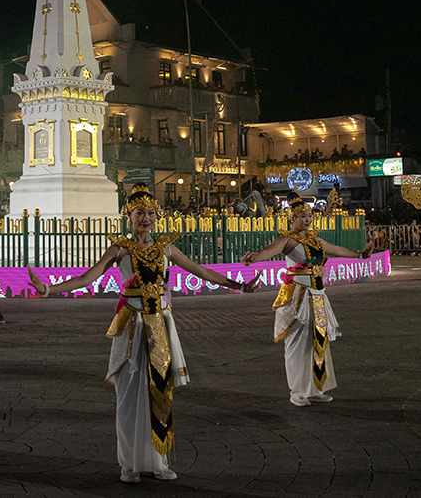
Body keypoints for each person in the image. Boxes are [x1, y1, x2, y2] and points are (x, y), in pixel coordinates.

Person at [27, 184, 259, 484]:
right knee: (127, 395)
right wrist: (48, 289)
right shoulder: (120, 249)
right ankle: (129, 464)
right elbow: (88, 277)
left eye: (151, 213)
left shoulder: (166, 248)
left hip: (160, 325)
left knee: (161, 393)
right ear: (129, 215)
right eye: (140, 214)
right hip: (132, 326)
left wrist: (237, 285)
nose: (146, 219)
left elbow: (199, 270)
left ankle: (158, 461)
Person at [241, 192, 373, 407]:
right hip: (298, 297)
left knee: (319, 341)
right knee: (297, 343)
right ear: (292, 218)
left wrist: (361, 254)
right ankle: (297, 391)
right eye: (302, 216)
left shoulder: (316, 240)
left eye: (309, 216)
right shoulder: (286, 240)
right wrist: (251, 259)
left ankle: (316, 387)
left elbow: (337, 249)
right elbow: (266, 252)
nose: (307, 219)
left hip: (318, 295)